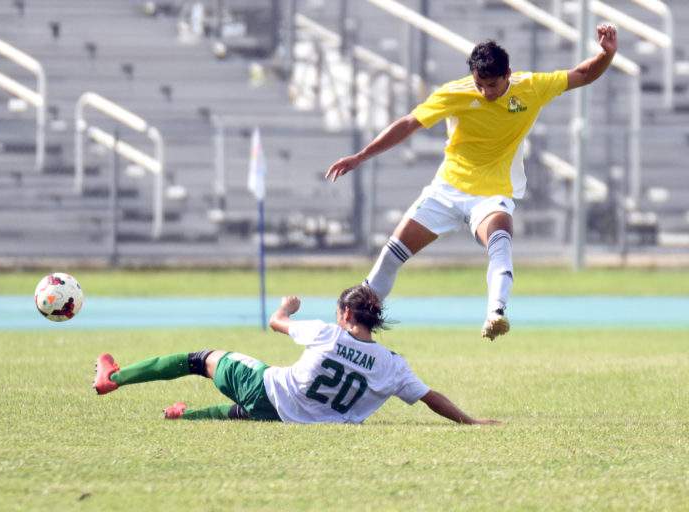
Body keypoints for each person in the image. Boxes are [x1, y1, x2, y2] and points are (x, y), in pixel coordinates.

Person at [326, 25, 619, 340]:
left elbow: (584, 74)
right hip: (446, 190)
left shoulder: (531, 87)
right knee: (390, 255)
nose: (485, 92)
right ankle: (353, 331)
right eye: (479, 84)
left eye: (492, 85)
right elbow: (410, 123)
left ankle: (495, 314)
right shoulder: (456, 92)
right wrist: (361, 156)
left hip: (492, 193)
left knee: (500, 240)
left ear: (508, 74)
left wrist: (607, 53)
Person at [93, 285, 503, 425]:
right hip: (294, 417)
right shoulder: (393, 366)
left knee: (200, 359)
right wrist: (470, 420)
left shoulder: (326, 333)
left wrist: (287, 307)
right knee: (234, 415)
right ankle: (181, 418)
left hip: (267, 389)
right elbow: (431, 397)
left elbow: (275, 322)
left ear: (344, 313)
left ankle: (114, 377)